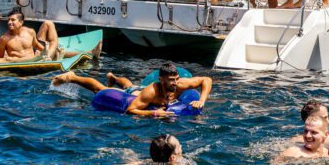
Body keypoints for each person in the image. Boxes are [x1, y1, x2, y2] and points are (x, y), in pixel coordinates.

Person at [53, 62, 212, 118]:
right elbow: (131, 110)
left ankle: (114, 79)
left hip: (138, 91)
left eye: (176, 79)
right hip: (138, 96)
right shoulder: (151, 91)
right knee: (100, 89)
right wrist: (155, 113)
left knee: (130, 86)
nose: (175, 83)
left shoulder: (181, 84)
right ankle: (73, 77)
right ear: (161, 80)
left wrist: (202, 100)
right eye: (171, 80)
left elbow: (206, 79)